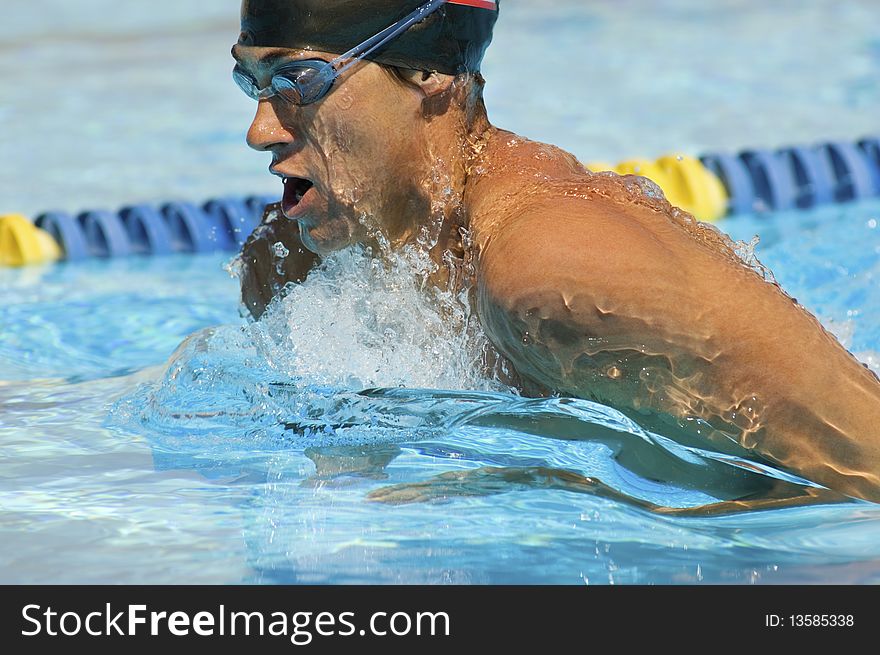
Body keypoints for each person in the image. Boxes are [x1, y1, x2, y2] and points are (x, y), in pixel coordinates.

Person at [232, 0, 880, 510]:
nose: (260, 128)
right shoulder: (292, 261)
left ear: (427, 72)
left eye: (298, 80)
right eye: (252, 81)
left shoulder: (552, 270)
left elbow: (864, 467)